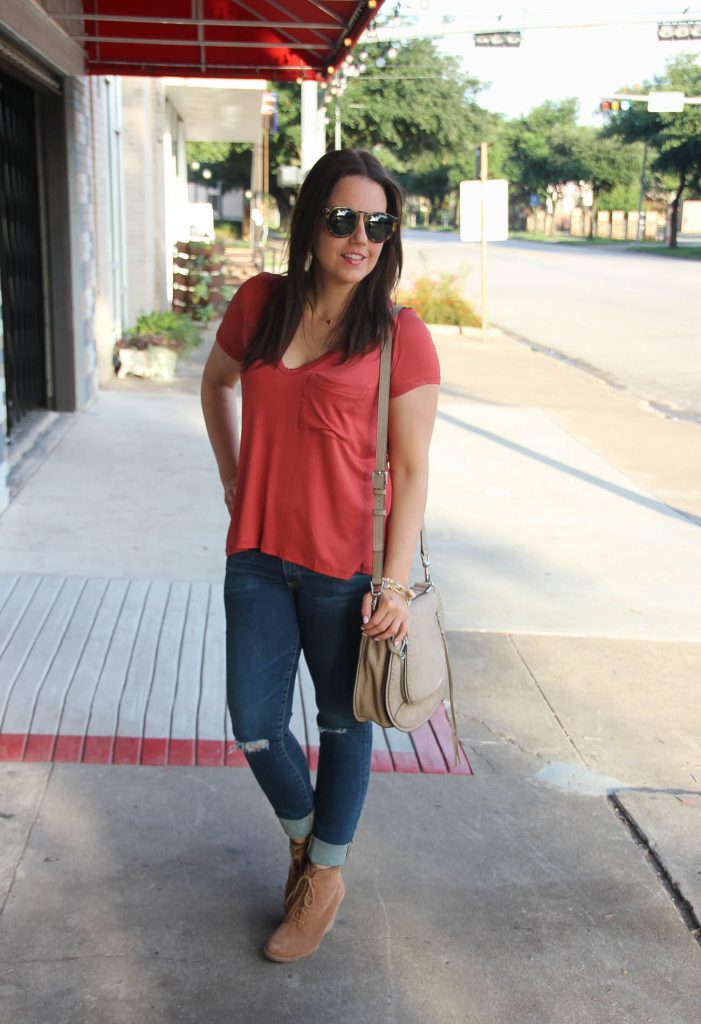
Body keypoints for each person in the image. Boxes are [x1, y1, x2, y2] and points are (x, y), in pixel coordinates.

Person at [200, 148, 440, 963]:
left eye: (378, 223)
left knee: (341, 726)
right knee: (257, 723)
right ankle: (313, 855)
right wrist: (234, 478)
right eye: (342, 218)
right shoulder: (260, 303)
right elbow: (216, 382)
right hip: (258, 555)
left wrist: (395, 581)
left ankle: (322, 873)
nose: (359, 237)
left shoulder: (401, 335)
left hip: (347, 567)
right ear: (310, 221)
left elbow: (410, 469)